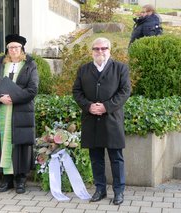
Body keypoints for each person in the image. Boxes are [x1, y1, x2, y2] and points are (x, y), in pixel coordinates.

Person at [73, 37, 131, 205]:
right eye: (96, 48)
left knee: (116, 158)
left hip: (112, 119)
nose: (100, 51)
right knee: (96, 158)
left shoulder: (120, 68)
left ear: (109, 50)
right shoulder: (84, 69)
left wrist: (106, 106)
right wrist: (88, 106)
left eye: (103, 48)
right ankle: (100, 190)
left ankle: (119, 192)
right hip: (91, 120)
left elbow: (125, 91)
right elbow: (77, 91)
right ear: (92, 51)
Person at [0, 34, 39, 194]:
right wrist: (0, 97)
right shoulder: (0, 65)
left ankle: (21, 179)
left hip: (21, 111)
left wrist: (13, 98)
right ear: (7, 49)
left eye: (16, 47)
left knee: (20, 144)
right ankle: (6, 179)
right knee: (4, 144)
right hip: (2, 111)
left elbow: (32, 89)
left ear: (21, 48)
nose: (13, 50)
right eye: (10, 47)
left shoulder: (30, 65)